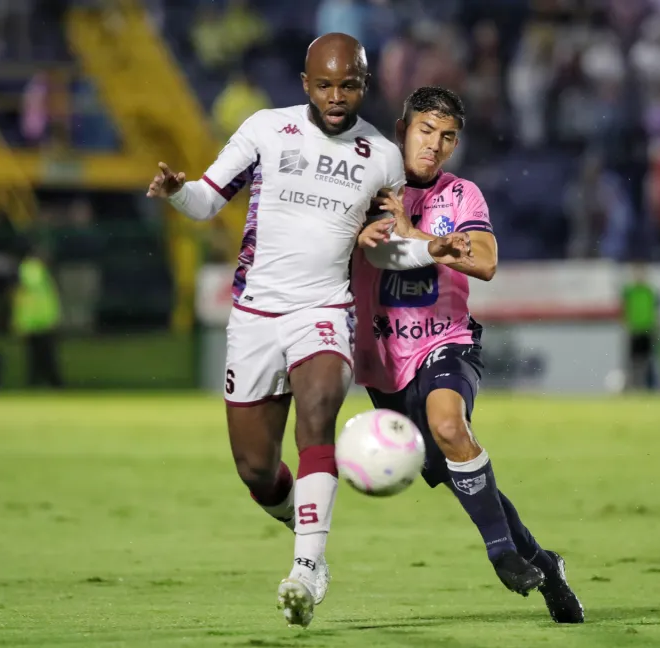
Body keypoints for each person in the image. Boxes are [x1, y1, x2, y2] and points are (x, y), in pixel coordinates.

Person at [146, 34, 472, 628]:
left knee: (319, 412)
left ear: (363, 85)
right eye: (324, 85)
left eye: (348, 84)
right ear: (305, 84)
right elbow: (204, 202)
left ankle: (307, 567)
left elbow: (386, 252)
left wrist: (428, 251)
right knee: (255, 469)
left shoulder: (382, 155)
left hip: (323, 310)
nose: (336, 96)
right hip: (255, 317)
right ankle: (306, 523)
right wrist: (176, 193)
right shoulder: (264, 130)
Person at [352, 87, 584, 623]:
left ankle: (501, 554)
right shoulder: (368, 190)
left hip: (446, 341)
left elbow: (484, 261)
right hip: (384, 365)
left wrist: (420, 235)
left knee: (450, 426)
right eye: (425, 131)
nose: (435, 145)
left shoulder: (462, 196)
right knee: (462, 477)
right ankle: (544, 565)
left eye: (447, 136)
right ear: (402, 128)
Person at [12, 244, 63, 388]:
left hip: (36, 321)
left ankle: (37, 382)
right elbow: (33, 291)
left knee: (37, 356)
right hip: (38, 321)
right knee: (44, 356)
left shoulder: (34, 270)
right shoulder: (32, 269)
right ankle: (50, 383)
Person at [622, 263, 658, 391]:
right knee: (633, 360)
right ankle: (633, 386)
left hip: (647, 329)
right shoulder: (629, 291)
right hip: (634, 329)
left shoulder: (649, 291)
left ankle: (645, 386)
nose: (639, 277)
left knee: (647, 359)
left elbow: (654, 310)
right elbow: (624, 308)